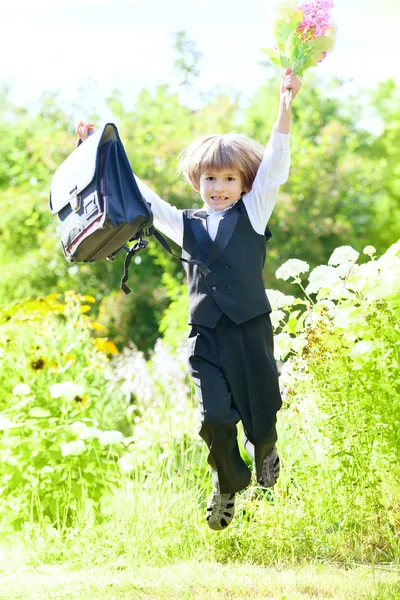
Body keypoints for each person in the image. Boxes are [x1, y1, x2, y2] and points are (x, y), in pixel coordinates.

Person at [76, 68, 302, 530]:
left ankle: (266, 449)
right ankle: (226, 481)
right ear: (197, 182)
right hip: (206, 338)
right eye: (209, 180)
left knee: (262, 405)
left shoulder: (254, 213)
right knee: (213, 416)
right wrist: (92, 152)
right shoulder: (183, 224)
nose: (218, 188)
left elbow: (276, 164)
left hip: (250, 328)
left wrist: (285, 103)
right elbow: (141, 194)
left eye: (228, 179)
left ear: (243, 184)